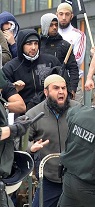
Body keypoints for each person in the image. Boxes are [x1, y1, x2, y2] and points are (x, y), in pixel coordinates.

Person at [25, 74, 79, 207]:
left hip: (76, 177)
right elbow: (19, 141)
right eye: (56, 88)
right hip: (50, 178)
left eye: (64, 88)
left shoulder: (79, 110)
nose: (61, 91)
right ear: (46, 92)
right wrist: (30, 147)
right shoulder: (33, 114)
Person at [2, 29, 62, 110]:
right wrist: (13, 88)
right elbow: (4, 95)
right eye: (29, 44)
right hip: (23, 115)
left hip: (51, 109)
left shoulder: (51, 61)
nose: (33, 47)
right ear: (21, 45)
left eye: (36, 43)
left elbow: (64, 85)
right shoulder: (10, 67)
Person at [40, 13, 79, 99]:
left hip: (61, 86)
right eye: (51, 25)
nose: (54, 27)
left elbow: (73, 68)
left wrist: (72, 88)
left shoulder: (64, 45)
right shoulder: (37, 45)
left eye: (56, 25)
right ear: (45, 26)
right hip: (40, 88)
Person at [56, 2, 86, 103]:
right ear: (56, 15)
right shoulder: (51, 34)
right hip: (53, 82)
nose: (64, 17)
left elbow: (77, 59)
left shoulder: (79, 35)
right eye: (61, 14)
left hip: (72, 82)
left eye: (67, 14)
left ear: (72, 16)